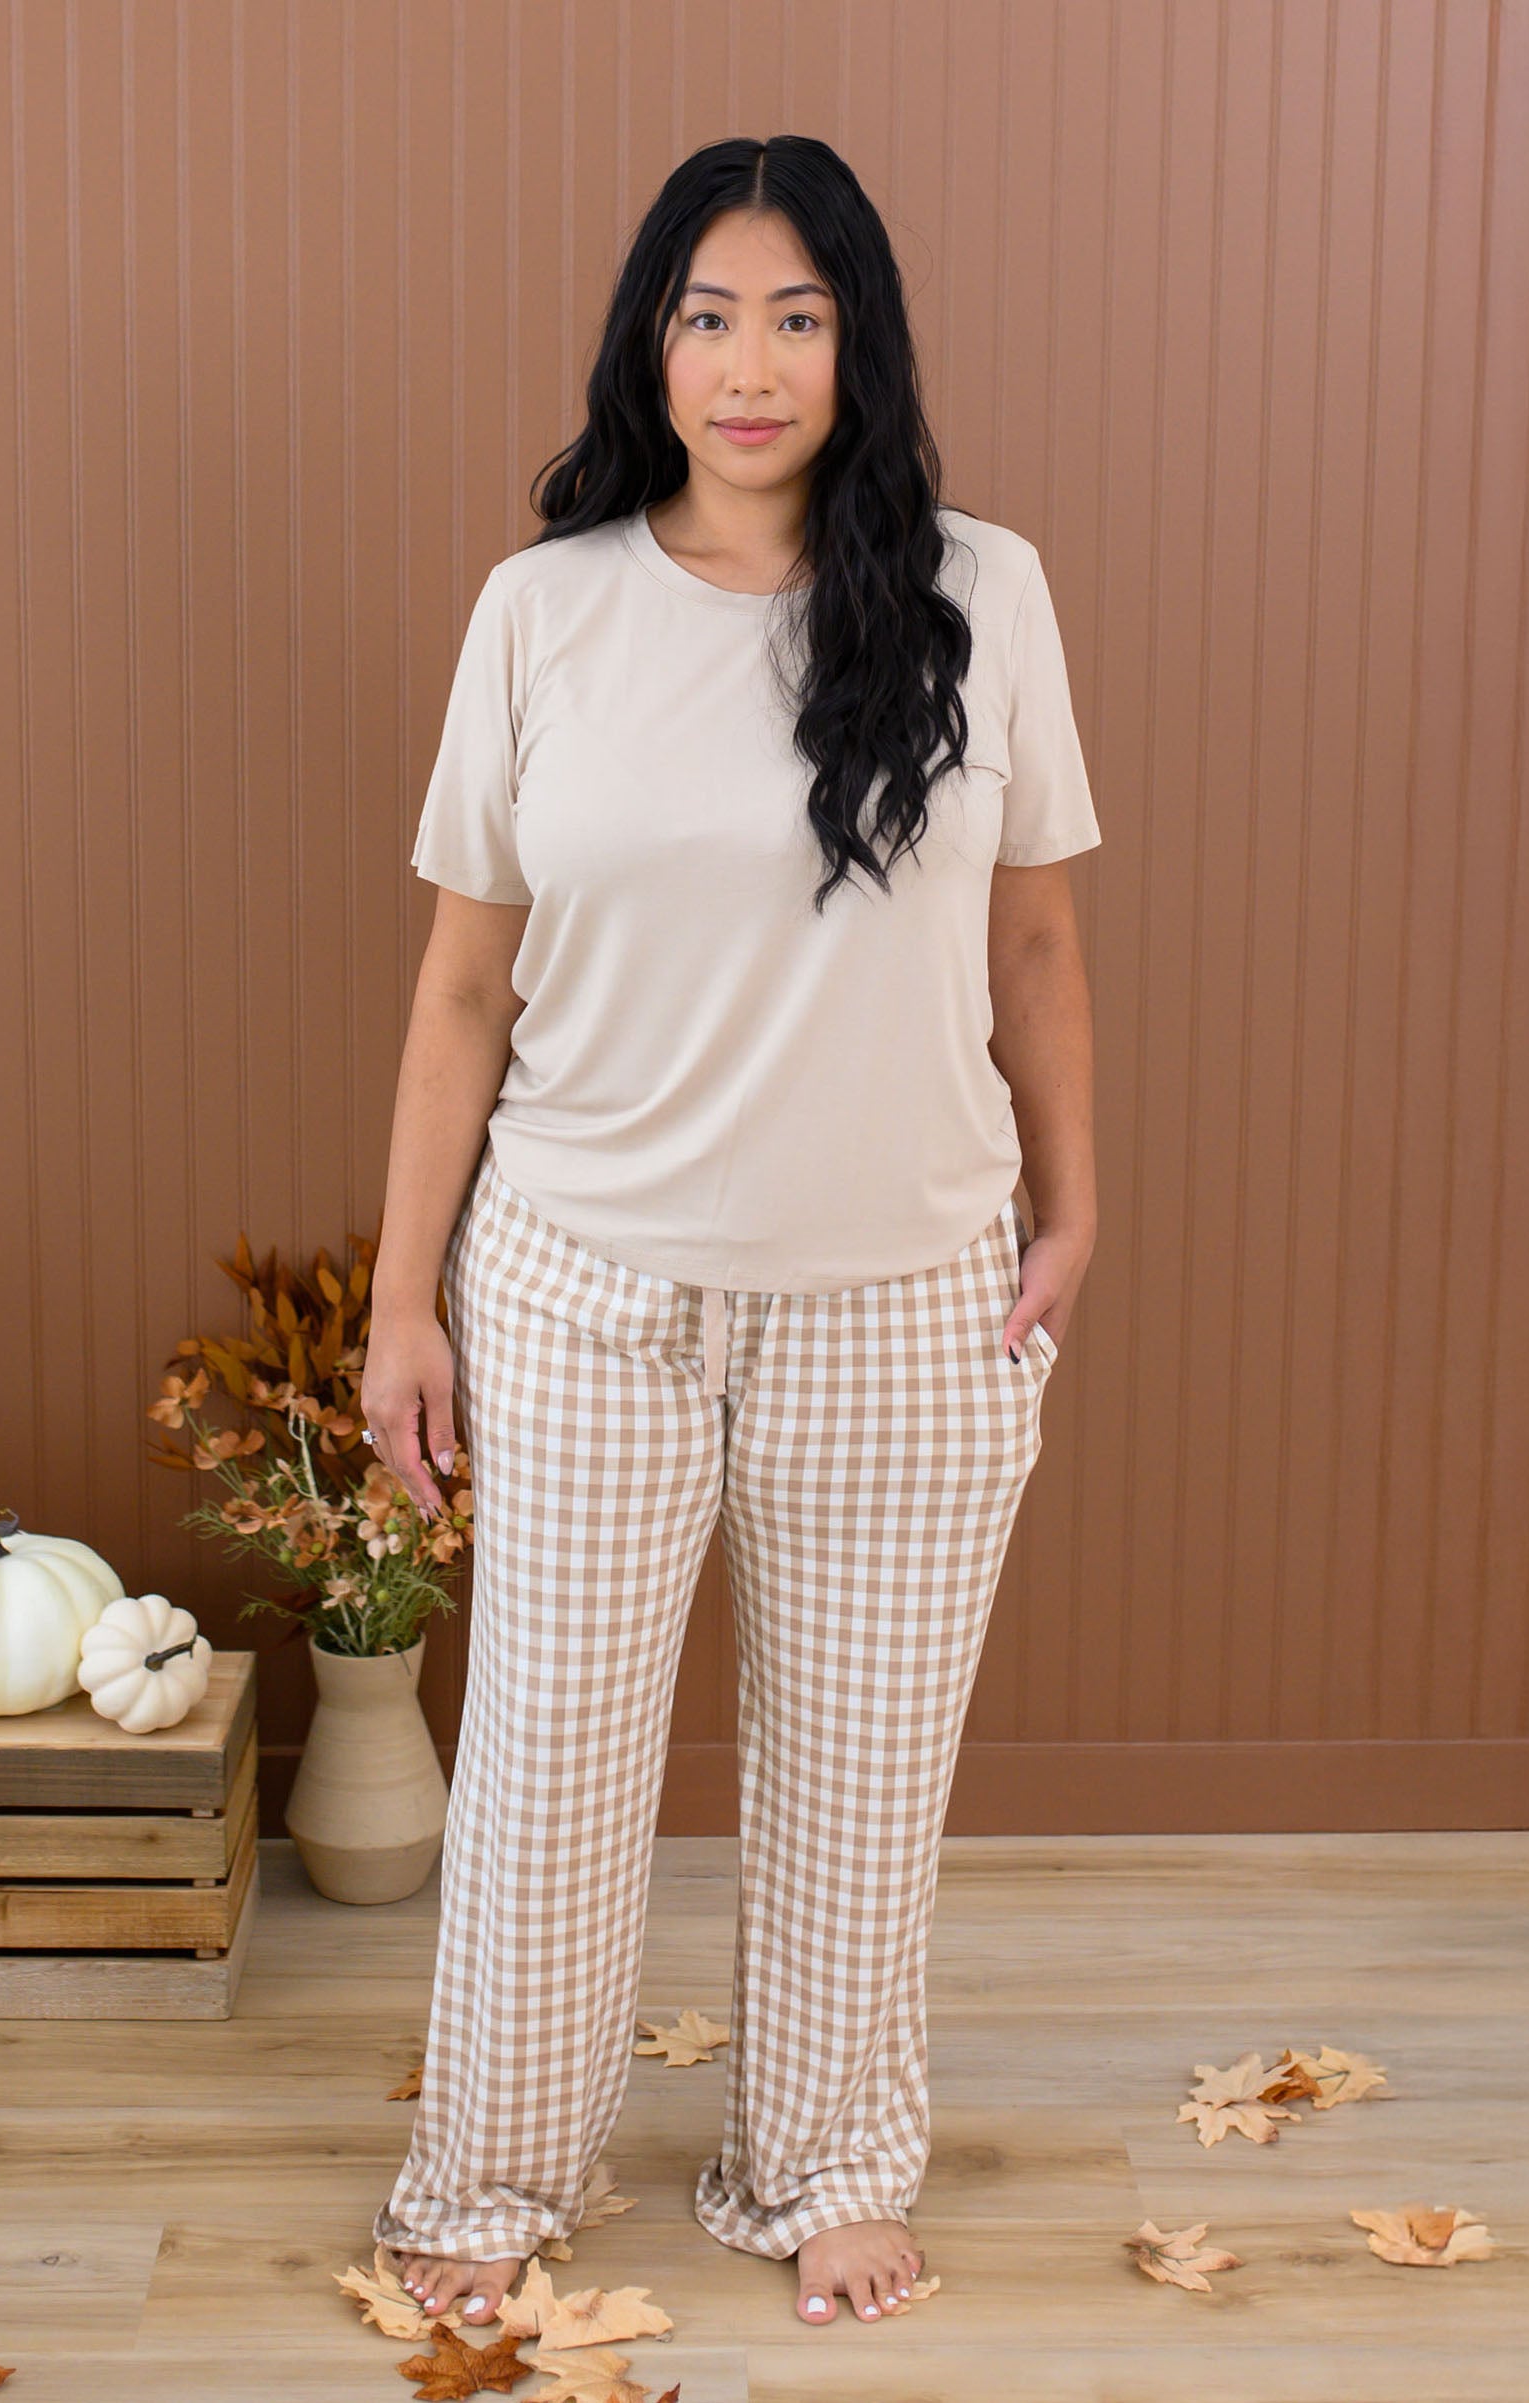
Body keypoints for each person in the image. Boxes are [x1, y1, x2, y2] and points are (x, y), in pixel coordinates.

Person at [360, 132, 1100, 2337]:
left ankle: (823, 2158)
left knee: (863, 1767)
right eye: (707, 313)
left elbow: (1038, 941)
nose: (750, 360)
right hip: (584, 1283)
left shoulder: (986, 590)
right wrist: (403, 1294)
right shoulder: (545, 605)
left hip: (903, 1293)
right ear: (649, 342)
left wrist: (1076, 1200)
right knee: (548, 1765)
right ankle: (494, 2159)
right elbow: (459, 988)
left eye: (796, 314)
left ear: (855, 343)